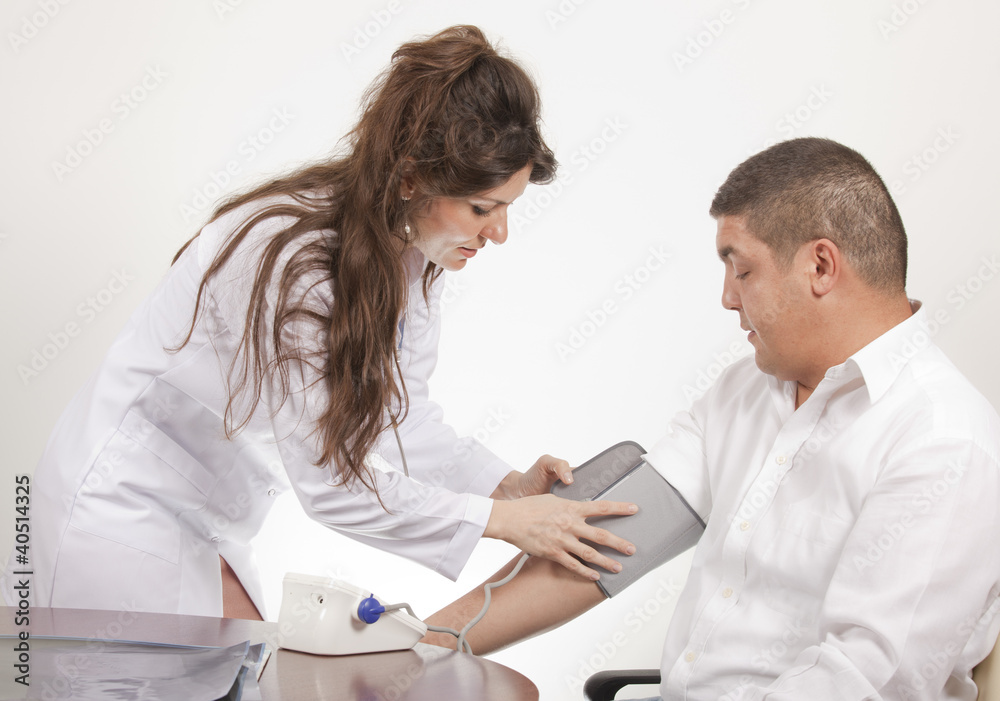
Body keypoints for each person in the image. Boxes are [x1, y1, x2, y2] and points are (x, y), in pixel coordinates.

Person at [4, 25, 638, 621]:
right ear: (412, 176)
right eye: (483, 208)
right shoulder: (293, 257)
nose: (499, 234)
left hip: (213, 515)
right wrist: (497, 523)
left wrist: (508, 489)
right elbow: (332, 485)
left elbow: (402, 415)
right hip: (118, 510)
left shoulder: (411, 255)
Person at [421, 137, 1000, 700]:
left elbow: (865, 681)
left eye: (741, 270)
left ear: (821, 266)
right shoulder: (746, 389)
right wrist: (417, 646)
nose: (727, 298)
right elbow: (609, 546)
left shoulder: (942, 441)